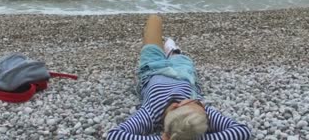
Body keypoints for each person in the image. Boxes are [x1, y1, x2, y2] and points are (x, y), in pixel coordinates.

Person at [107, 15, 251, 140]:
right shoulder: (197, 116)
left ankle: (168, 49)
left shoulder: (151, 113)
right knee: (180, 57)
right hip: (184, 72)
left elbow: (114, 135)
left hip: (153, 68)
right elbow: (242, 131)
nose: (201, 104)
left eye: (195, 102)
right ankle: (172, 51)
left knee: (154, 20)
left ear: (177, 106)